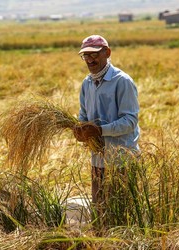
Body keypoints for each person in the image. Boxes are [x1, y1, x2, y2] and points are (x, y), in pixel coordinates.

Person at [72, 35, 140, 225]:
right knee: (100, 210)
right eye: (86, 56)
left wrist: (99, 130)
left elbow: (130, 121)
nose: (90, 60)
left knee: (122, 213)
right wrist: (80, 130)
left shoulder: (122, 81)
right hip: (98, 158)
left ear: (107, 53)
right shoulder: (87, 83)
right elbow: (83, 115)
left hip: (121, 158)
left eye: (94, 55)